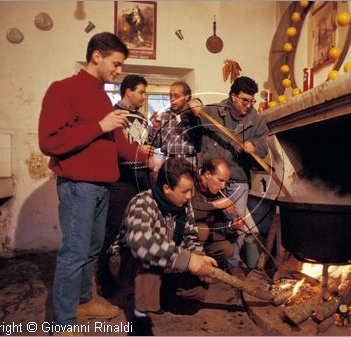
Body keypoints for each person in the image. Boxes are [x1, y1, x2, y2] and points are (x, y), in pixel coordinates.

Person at [38, 32, 152, 333]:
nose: (119, 71)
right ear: (97, 56)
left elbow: (117, 144)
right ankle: (63, 322)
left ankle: (85, 300)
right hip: (78, 186)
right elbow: (49, 141)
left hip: (102, 186)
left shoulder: (102, 96)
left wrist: (147, 156)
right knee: (74, 252)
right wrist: (99, 125)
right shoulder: (63, 89)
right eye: (116, 64)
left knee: (92, 247)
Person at [121, 157, 217, 335]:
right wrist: (188, 261)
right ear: (166, 189)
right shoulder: (142, 203)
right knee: (150, 260)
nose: (190, 196)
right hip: (128, 263)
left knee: (198, 291)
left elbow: (190, 237)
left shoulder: (184, 206)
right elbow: (141, 246)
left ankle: (157, 294)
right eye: (185, 191)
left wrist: (199, 257)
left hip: (165, 261)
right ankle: (139, 317)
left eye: (192, 190)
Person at [194, 76, 269, 280]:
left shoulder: (256, 119)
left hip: (237, 177)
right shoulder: (212, 111)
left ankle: (233, 263)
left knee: (237, 222)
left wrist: (255, 147)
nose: (248, 105)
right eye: (244, 100)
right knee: (205, 219)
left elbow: (264, 144)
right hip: (210, 178)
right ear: (233, 96)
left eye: (251, 101)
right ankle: (200, 260)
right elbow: (189, 122)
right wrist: (193, 108)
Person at [97, 74, 153, 298]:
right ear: (128, 91)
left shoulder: (141, 117)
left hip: (141, 177)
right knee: (110, 229)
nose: (143, 96)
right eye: (140, 91)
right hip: (120, 178)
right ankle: (102, 277)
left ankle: (129, 276)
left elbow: (144, 146)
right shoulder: (112, 115)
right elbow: (112, 149)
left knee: (138, 227)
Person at [193, 158, 245, 267]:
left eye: (225, 182)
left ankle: (202, 267)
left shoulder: (217, 191)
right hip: (185, 234)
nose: (223, 186)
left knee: (226, 248)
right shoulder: (191, 183)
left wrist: (231, 226)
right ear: (207, 174)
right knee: (203, 229)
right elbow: (188, 212)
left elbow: (215, 227)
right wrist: (214, 205)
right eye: (220, 180)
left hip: (204, 239)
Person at [149, 81, 199, 168]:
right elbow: (155, 144)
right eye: (170, 96)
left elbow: (201, 141)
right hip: (168, 162)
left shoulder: (195, 115)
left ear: (186, 97)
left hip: (188, 162)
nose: (172, 99)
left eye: (176, 96)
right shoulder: (164, 116)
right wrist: (156, 128)